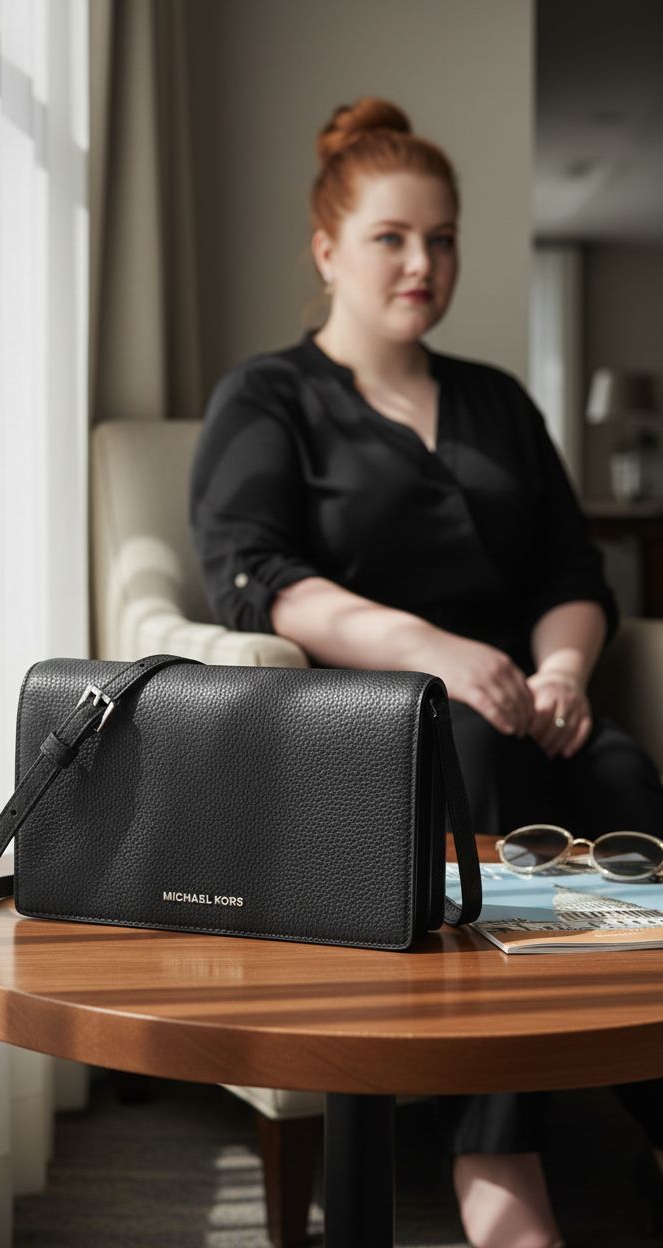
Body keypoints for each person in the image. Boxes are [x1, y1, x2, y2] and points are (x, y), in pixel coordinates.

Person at [188, 96, 663, 1248]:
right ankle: (496, 1161)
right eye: (391, 238)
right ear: (326, 252)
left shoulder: (496, 399)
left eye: (441, 239)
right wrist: (432, 653)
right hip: (370, 719)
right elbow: (255, 579)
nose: (422, 263)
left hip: (524, 700)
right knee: (471, 754)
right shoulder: (270, 397)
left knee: (620, 777)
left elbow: (570, 567)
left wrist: (561, 671)